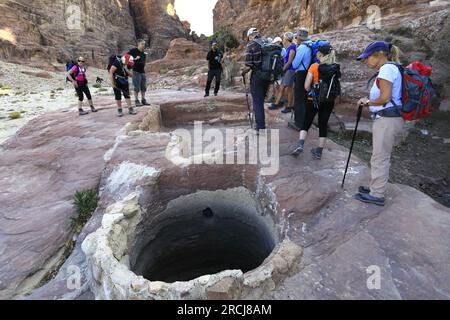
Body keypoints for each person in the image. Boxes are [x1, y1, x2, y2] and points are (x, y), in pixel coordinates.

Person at [354, 41, 405, 206]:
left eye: (367, 58)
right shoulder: (390, 68)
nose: (365, 61)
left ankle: (377, 194)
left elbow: (385, 97)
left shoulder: (387, 69)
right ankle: (375, 187)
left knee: (380, 157)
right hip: (387, 119)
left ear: (380, 54)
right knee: (379, 155)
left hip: (387, 120)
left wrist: (366, 102)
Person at [291, 44, 340, 160]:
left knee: (306, 122)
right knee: (323, 125)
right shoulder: (336, 68)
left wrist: (312, 89)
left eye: (318, 52)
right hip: (328, 101)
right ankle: (319, 151)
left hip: (313, 99)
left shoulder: (314, 66)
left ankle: (300, 145)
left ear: (320, 54)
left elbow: (306, 86)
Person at [241, 27, 271, 132]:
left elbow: (248, 66)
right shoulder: (266, 41)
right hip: (268, 76)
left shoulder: (251, 45)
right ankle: (261, 123)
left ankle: (260, 127)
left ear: (249, 36)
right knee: (261, 101)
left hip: (257, 77)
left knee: (257, 102)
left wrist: (243, 72)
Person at [290, 28, 312, 131]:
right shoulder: (310, 45)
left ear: (299, 38)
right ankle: (305, 122)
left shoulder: (302, 48)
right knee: (304, 98)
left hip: (301, 74)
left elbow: (294, 65)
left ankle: (299, 123)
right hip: (308, 73)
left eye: (296, 37)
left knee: (299, 99)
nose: (296, 39)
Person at [270, 32, 296, 113]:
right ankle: (285, 105)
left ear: (287, 39)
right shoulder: (288, 47)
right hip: (288, 70)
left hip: (289, 70)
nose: (283, 40)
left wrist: (283, 69)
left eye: (284, 38)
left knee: (286, 88)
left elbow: (290, 61)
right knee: (288, 88)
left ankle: (285, 105)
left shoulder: (292, 47)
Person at [128, 39, 150, 106]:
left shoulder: (143, 53)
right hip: (135, 71)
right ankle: (136, 100)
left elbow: (144, 62)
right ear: (138, 44)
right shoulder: (133, 51)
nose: (143, 45)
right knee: (137, 87)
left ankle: (143, 100)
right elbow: (126, 57)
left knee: (144, 87)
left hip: (142, 72)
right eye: (142, 44)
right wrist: (134, 59)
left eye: (144, 44)